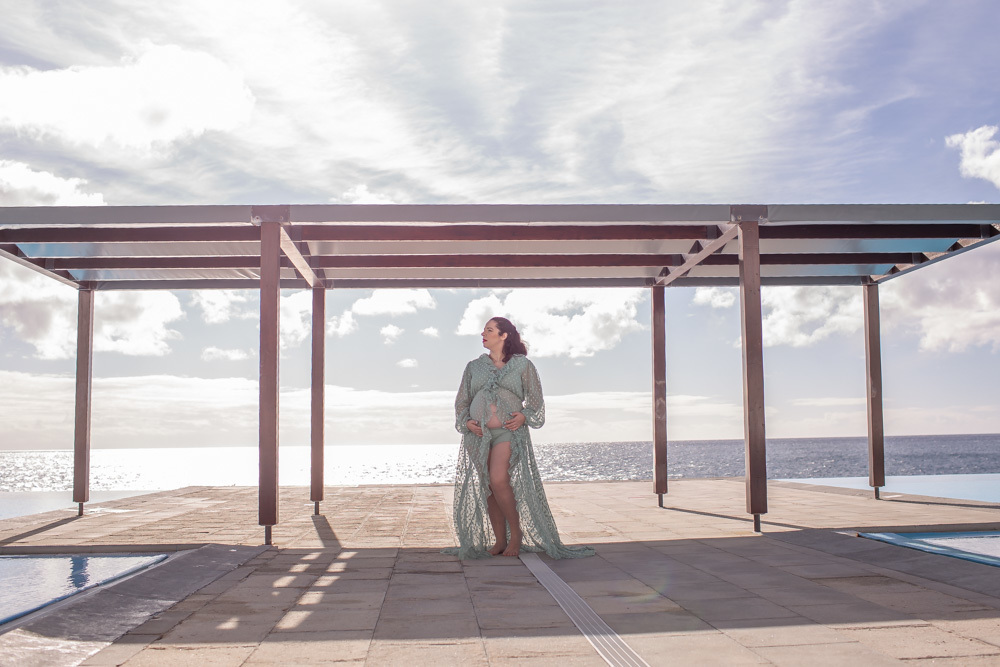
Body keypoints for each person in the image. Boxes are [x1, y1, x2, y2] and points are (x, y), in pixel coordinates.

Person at [446, 317, 594, 560]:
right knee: (488, 485)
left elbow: (536, 401)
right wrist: (467, 422)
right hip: (478, 434)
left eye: (489, 330)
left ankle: (516, 535)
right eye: (484, 330)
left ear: (504, 335)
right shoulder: (473, 366)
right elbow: (462, 401)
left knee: (499, 478)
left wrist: (524, 416)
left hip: (508, 431)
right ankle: (500, 539)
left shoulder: (522, 365)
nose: (483, 334)